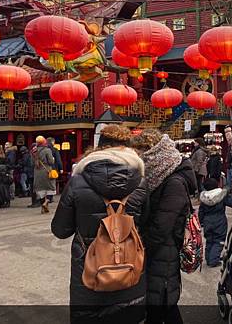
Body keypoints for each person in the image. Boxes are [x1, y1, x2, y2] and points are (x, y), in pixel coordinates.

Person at [51, 124, 147, 324]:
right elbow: (146, 222)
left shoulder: (77, 181)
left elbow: (60, 230)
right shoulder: (141, 181)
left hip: (88, 274)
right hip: (129, 271)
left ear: (98, 147)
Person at [130, 129, 196, 324]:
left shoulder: (173, 180)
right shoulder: (158, 174)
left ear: (150, 152)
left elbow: (162, 224)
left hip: (164, 249)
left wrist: (140, 247)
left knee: (162, 302)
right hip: (158, 247)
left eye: (139, 152)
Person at [198, 178, 232, 267]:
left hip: (207, 222)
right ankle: (213, 260)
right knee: (218, 241)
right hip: (219, 221)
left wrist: (201, 222)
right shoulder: (221, 195)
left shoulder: (204, 198)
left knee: (209, 241)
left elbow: (201, 211)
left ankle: (209, 258)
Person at [32, 136, 56, 214]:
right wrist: (53, 159)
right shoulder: (47, 150)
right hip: (46, 171)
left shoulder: (33, 151)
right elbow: (51, 162)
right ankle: (46, 202)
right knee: (50, 188)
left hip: (37, 172)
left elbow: (32, 162)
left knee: (40, 190)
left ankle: (43, 206)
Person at [47, 137, 63, 203]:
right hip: (53, 168)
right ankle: (50, 198)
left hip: (45, 168)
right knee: (52, 183)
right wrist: (61, 168)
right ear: (52, 142)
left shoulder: (44, 149)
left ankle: (46, 197)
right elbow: (58, 159)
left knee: (46, 183)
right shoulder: (55, 150)